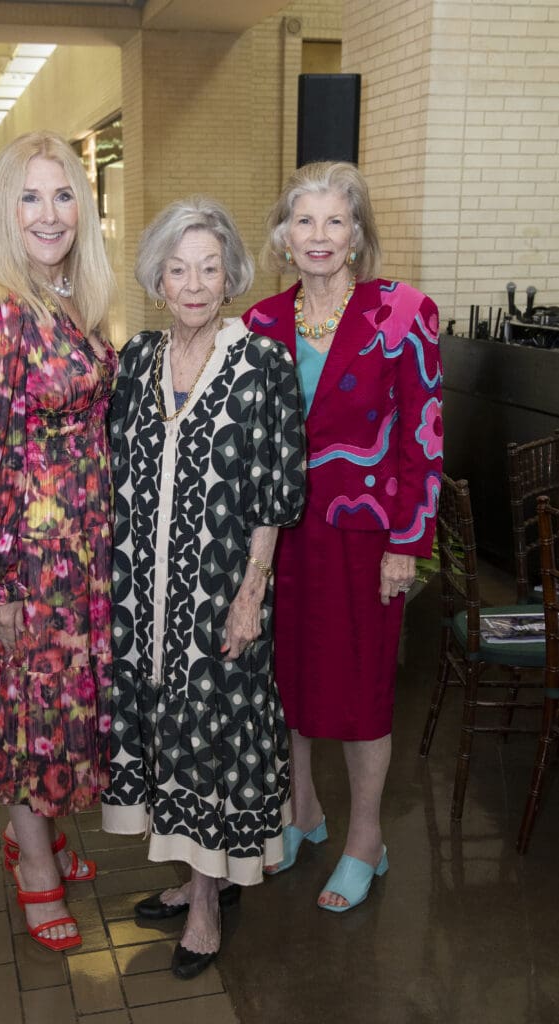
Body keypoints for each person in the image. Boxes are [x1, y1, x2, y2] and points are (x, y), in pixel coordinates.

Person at [102, 197, 306, 978]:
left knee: (216, 742)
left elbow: (274, 491)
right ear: (156, 276)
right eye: (177, 268)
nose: (192, 284)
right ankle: (190, 877)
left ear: (231, 277)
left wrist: (252, 591)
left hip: (220, 593)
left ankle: (210, 904)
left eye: (208, 269)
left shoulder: (260, 362)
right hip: (140, 597)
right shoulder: (137, 358)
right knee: (165, 737)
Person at [243, 161, 443, 912]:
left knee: (360, 692)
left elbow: (422, 438)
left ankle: (366, 839)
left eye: (334, 220)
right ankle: (304, 816)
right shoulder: (260, 322)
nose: (318, 236)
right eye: (304, 221)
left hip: (365, 541)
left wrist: (405, 544)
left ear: (357, 233)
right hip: (279, 539)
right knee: (283, 686)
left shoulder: (402, 312)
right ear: (282, 236)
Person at [0, 131, 117, 952]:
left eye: (63, 197)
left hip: (79, 553)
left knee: (57, 710)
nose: (49, 214)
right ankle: (34, 872)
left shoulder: (66, 299)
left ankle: (40, 837)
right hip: (30, 563)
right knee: (30, 723)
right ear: (3, 212)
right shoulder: (1, 309)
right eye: (30, 197)